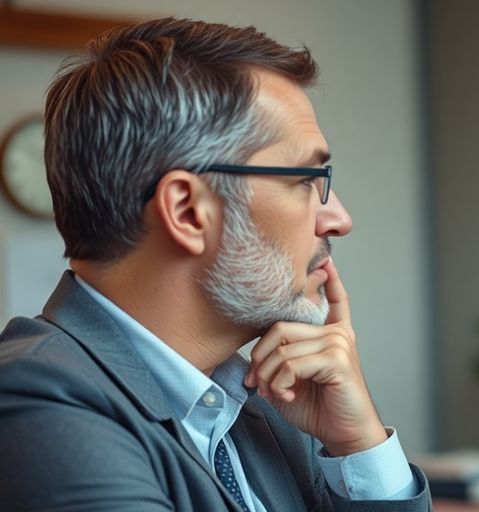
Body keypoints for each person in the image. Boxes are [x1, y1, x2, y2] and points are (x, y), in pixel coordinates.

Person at [0, 18, 430, 511]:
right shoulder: (38, 406)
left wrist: (360, 448)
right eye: (306, 180)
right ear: (187, 212)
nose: (339, 219)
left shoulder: (271, 407)